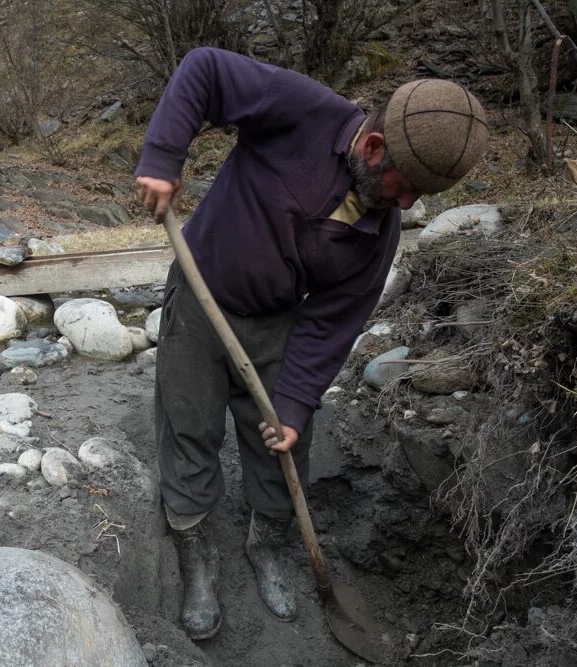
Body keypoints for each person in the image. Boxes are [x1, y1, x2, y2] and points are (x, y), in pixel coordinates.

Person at [135, 47, 488, 639]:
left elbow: (331, 323)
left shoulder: (378, 234)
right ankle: (197, 555)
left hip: (277, 322)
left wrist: (296, 405)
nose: (406, 206)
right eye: (405, 188)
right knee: (189, 425)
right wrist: (164, 156)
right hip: (200, 297)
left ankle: (268, 545)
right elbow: (204, 70)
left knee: (283, 444)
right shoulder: (300, 110)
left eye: (420, 198)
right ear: (374, 148)